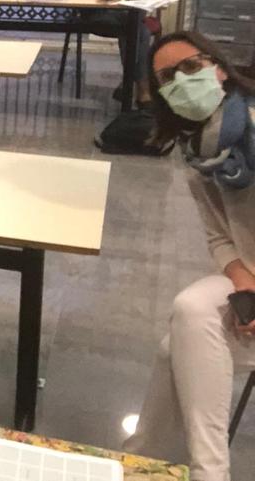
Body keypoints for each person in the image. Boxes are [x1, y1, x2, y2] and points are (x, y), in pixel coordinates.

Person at [124, 31, 255, 481]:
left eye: (191, 67)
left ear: (218, 67)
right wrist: (243, 280)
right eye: (167, 78)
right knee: (187, 323)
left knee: (182, 335)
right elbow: (219, 236)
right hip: (248, 276)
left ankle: (165, 465)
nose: (182, 81)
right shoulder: (198, 151)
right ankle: (147, 462)